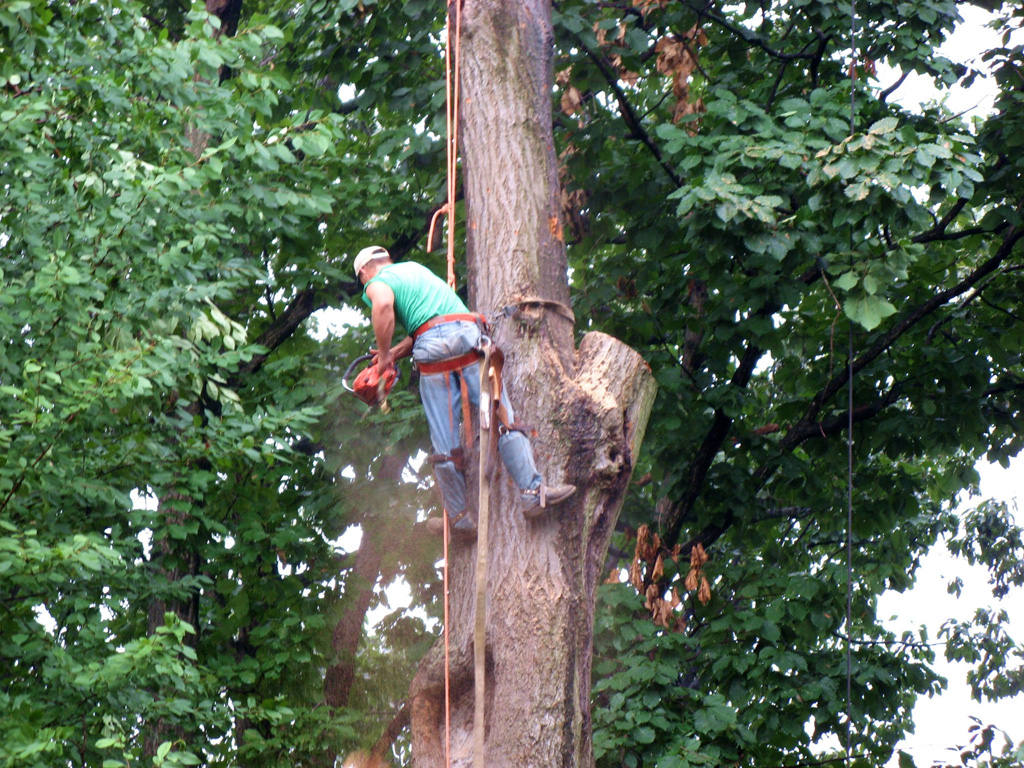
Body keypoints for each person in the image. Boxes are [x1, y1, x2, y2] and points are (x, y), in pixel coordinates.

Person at [354, 245, 575, 540]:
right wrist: (394, 352)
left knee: (444, 442)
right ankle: (533, 494)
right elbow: (433, 325)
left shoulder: (376, 281)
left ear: (366, 271)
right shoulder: (415, 272)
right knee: (503, 416)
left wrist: (382, 355)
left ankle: (459, 519)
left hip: (434, 352)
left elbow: (383, 307)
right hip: (467, 337)